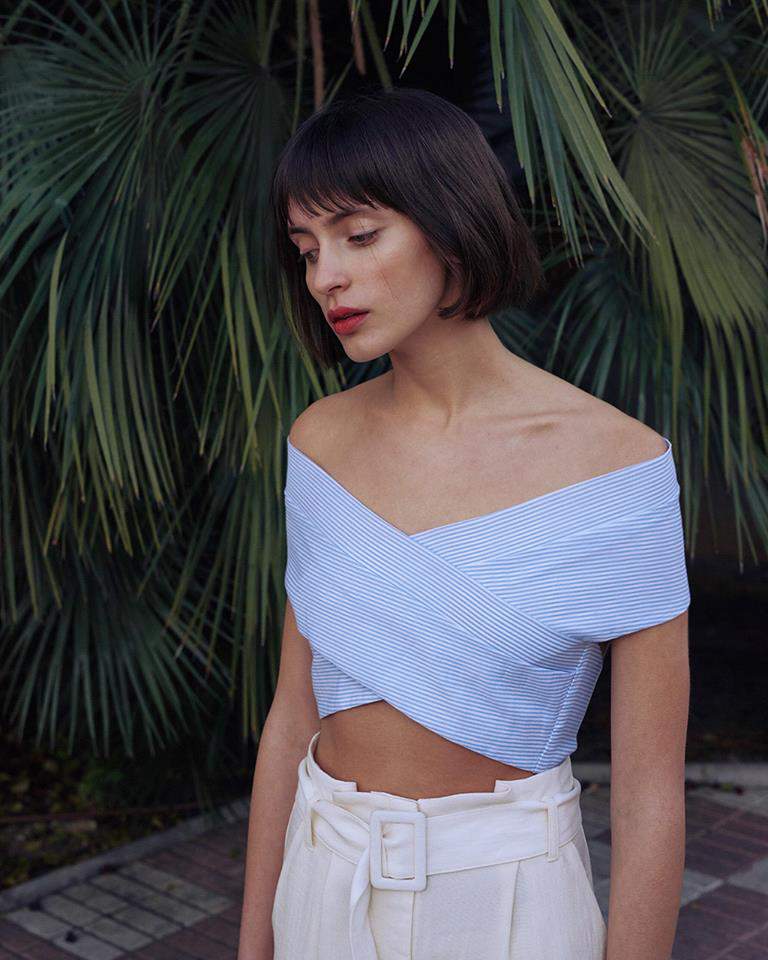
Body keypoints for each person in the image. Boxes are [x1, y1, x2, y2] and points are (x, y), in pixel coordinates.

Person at [237, 87, 691, 960]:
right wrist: (255, 945)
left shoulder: (617, 469)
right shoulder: (319, 441)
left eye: (358, 235)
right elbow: (292, 715)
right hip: (321, 880)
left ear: (450, 224)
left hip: (510, 901)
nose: (325, 276)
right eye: (307, 249)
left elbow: (648, 796)